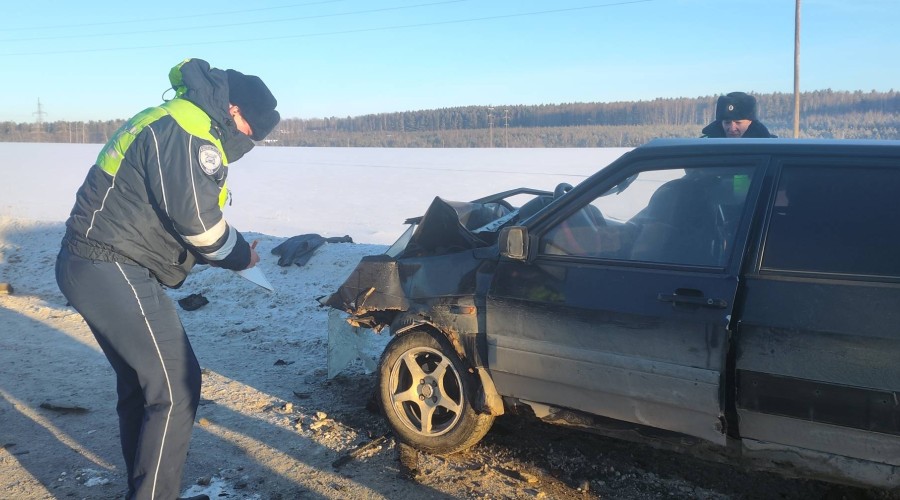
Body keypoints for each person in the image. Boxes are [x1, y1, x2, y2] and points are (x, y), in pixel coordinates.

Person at [55, 58, 279, 500]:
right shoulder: (189, 130)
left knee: (145, 386)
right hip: (109, 264)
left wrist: (229, 249)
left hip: (97, 263)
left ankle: (145, 490)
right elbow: (198, 224)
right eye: (250, 133)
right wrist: (240, 257)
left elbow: (187, 214)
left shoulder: (184, 119)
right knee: (177, 387)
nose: (246, 143)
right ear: (234, 110)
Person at [701, 91, 776, 138]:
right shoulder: (704, 145)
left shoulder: (769, 147)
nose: (732, 128)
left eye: (738, 122)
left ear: (750, 122)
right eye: (727, 122)